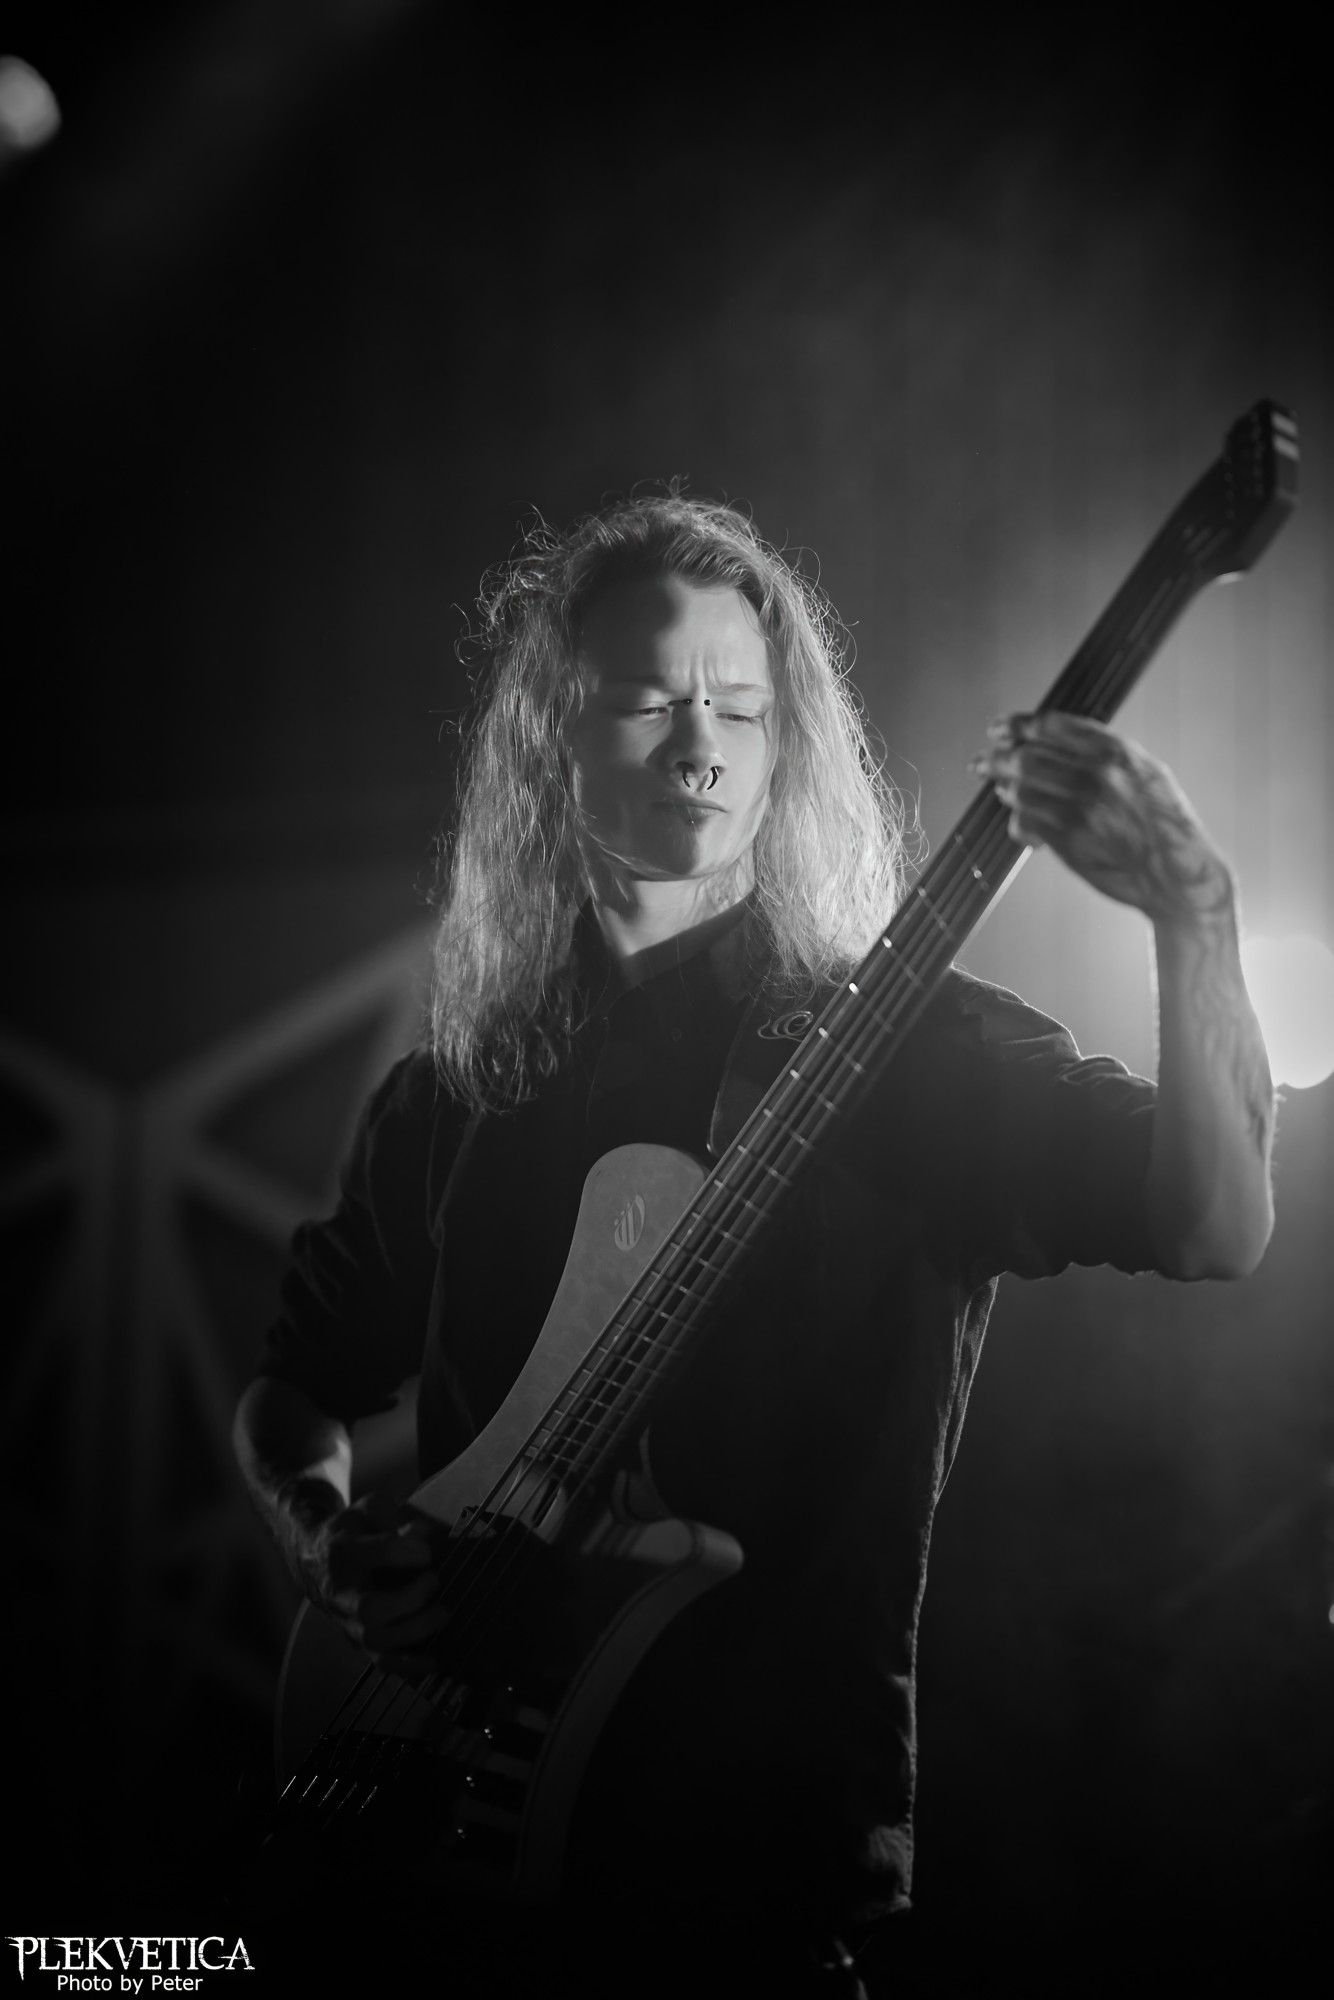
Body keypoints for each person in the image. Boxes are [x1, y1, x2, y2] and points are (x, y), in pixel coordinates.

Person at [233, 494, 1273, 1995]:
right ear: (548, 738)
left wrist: (1196, 914)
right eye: (649, 701)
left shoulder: (912, 1055)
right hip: (434, 1860)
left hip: (747, 1900)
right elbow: (297, 1385)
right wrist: (324, 1542)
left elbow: (1215, 1226)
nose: (701, 747)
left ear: (786, 745)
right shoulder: (459, 1088)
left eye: (739, 706)